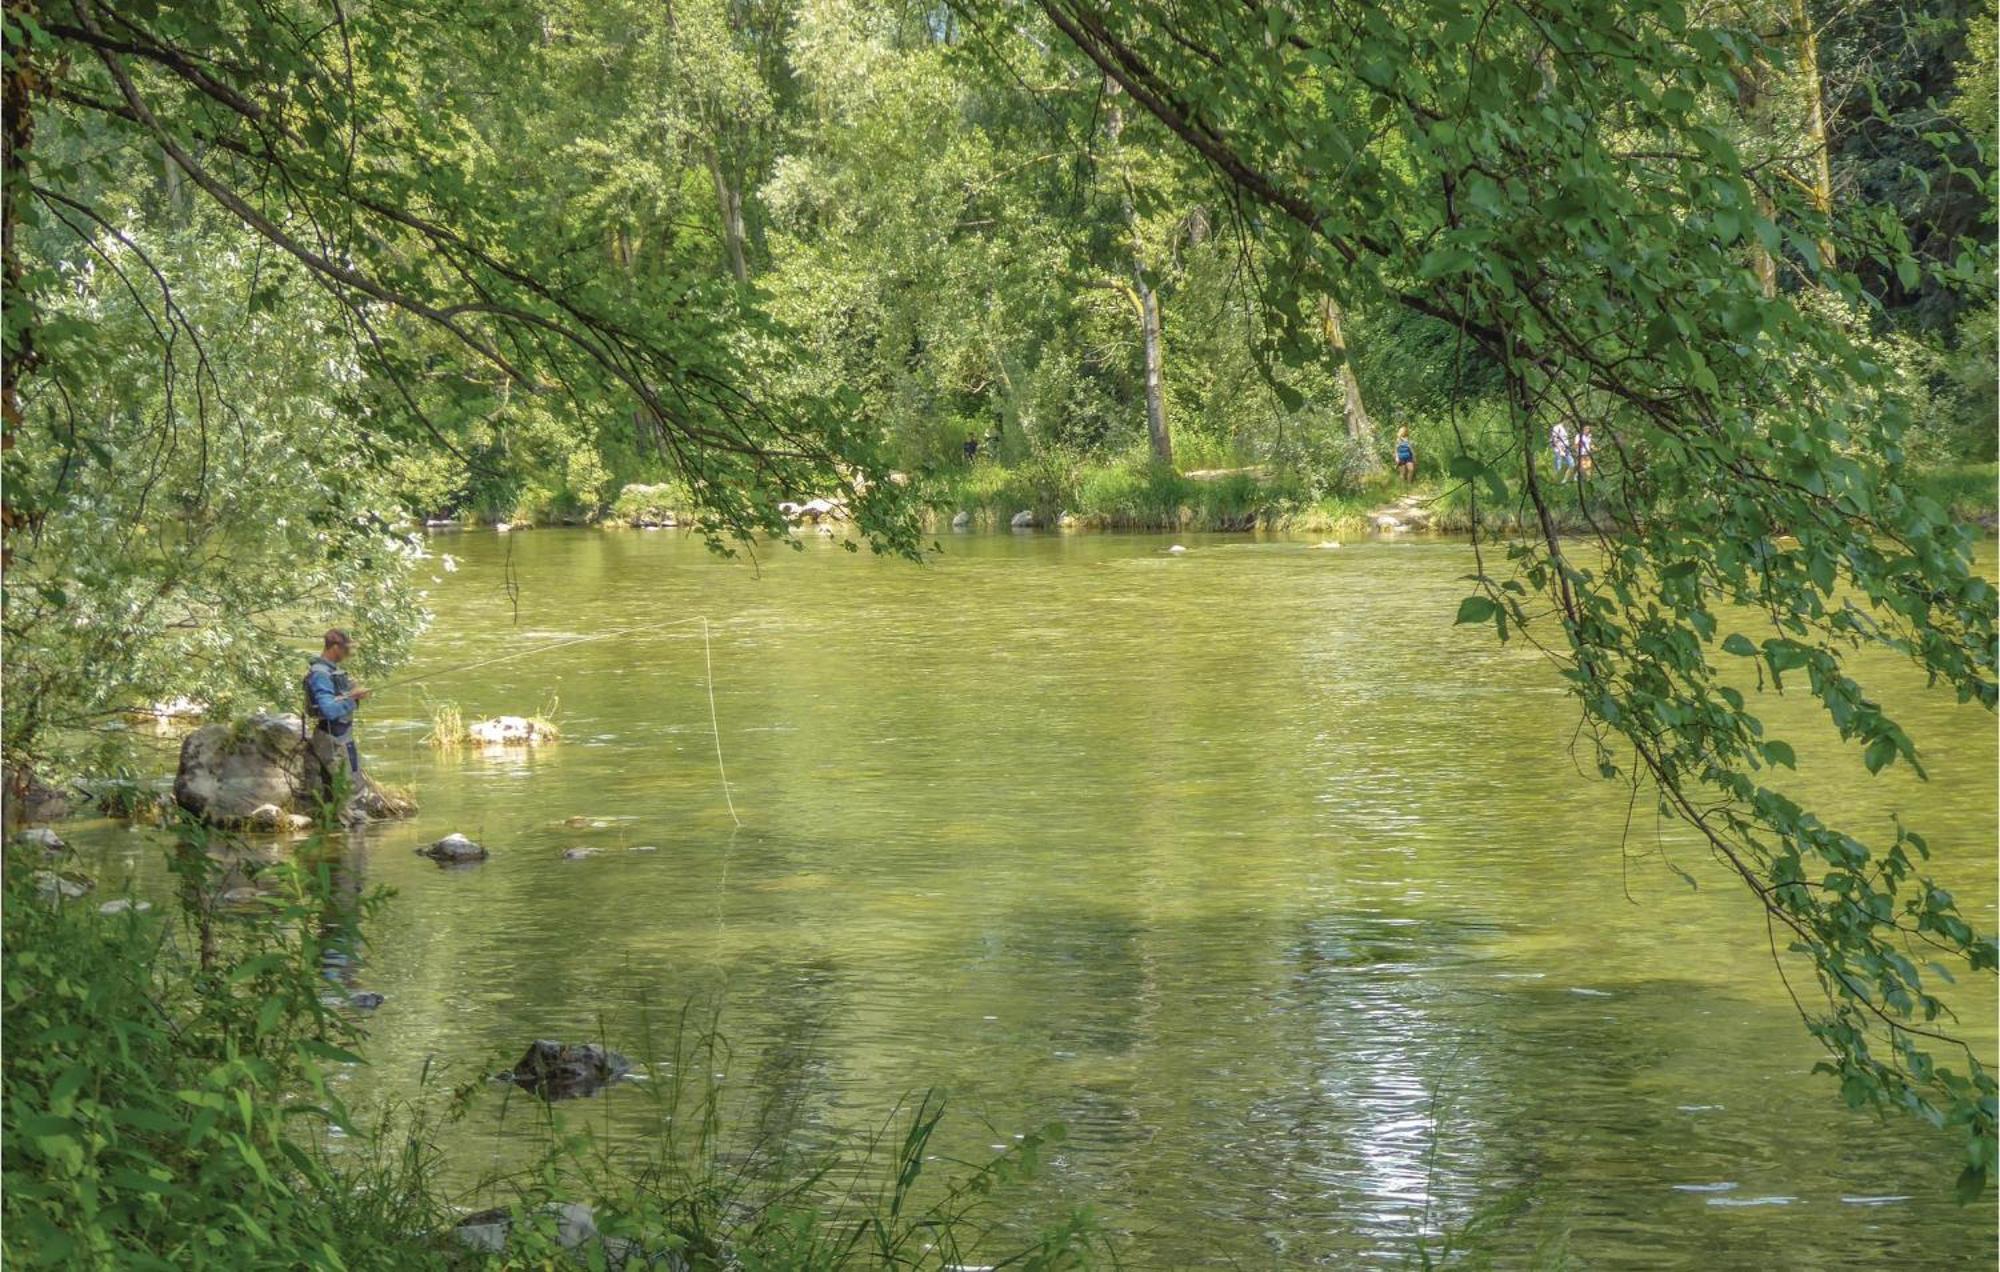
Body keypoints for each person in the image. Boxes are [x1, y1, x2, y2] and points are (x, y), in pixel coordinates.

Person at [303, 629, 372, 815]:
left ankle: (341, 837)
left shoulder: (331, 671)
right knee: (349, 792)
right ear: (334, 647)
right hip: (332, 738)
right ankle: (353, 833)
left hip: (341, 736)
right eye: (346, 649)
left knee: (347, 788)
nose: (348, 653)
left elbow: (338, 697)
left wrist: (354, 692)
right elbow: (328, 710)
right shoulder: (321, 674)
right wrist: (352, 698)